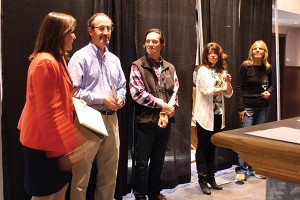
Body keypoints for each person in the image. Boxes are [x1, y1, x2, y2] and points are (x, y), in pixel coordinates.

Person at [17, 12, 77, 200]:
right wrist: (63, 150)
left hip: (53, 141)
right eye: (71, 32)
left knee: (61, 186)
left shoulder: (57, 58)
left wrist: (73, 101)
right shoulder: (45, 62)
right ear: (59, 34)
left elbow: (56, 97)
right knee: (42, 194)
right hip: (43, 143)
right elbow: (47, 111)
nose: (74, 36)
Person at [68, 13, 126, 200]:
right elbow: (73, 91)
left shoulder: (114, 60)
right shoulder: (80, 57)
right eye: (101, 28)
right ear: (90, 31)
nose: (106, 32)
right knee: (81, 177)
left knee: (109, 176)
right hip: (88, 121)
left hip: (112, 121)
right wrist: (103, 99)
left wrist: (121, 100)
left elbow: (123, 87)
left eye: (109, 28)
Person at [129, 28, 179, 200]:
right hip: (145, 122)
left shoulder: (170, 67)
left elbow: (175, 93)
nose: (150, 44)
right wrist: (162, 105)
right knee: (142, 163)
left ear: (162, 45)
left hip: (164, 122)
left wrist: (167, 113)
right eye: (148, 41)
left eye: (155, 41)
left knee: (158, 161)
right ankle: (140, 194)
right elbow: (137, 94)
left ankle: (155, 193)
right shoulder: (137, 66)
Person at [193, 42, 233, 195]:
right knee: (203, 148)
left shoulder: (222, 71)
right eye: (210, 53)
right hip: (205, 116)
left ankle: (211, 178)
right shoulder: (203, 70)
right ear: (206, 55)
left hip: (218, 115)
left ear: (219, 55)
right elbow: (208, 90)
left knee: (213, 147)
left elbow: (228, 94)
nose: (213, 55)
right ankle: (202, 181)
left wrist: (227, 83)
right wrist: (223, 88)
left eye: (215, 53)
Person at [235, 40, 274, 183]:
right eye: (255, 49)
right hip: (248, 107)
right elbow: (238, 87)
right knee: (245, 139)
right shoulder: (245, 66)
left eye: (260, 49)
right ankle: (241, 169)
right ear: (251, 51)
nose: (257, 51)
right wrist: (241, 108)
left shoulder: (268, 67)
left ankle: (254, 167)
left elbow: (271, 84)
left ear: (264, 52)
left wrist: (269, 92)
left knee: (258, 138)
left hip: (263, 106)